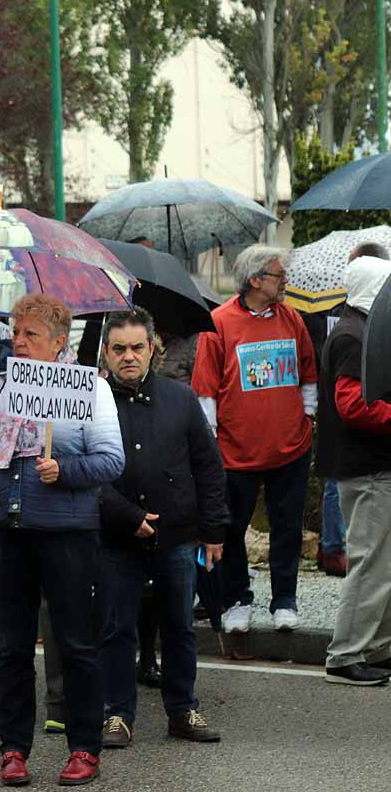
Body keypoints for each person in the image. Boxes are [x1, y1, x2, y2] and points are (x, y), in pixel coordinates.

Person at [0, 293, 124, 786]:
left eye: (31, 334)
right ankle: (13, 748)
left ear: (59, 341)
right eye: (17, 332)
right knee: (10, 647)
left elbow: (112, 461)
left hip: (67, 534)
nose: (20, 341)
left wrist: (66, 469)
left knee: (76, 642)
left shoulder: (90, 390)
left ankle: (83, 747)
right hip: (7, 529)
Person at [97, 307, 228, 747]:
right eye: (119, 349)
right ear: (106, 352)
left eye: (137, 347)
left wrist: (214, 530)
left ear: (153, 348)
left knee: (179, 626)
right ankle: (117, 715)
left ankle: (182, 709)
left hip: (176, 533)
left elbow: (208, 467)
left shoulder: (182, 398)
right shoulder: (90, 402)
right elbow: (84, 471)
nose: (129, 357)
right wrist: (126, 516)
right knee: (116, 628)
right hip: (116, 535)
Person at [192, 245, 318, 634]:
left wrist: (308, 416)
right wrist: (210, 441)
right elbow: (205, 390)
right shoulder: (218, 323)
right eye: (279, 276)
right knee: (230, 529)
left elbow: (308, 372)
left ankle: (285, 600)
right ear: (255, 280)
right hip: (234, 453)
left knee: (287, 526)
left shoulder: (292, 318)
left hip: (290, 448)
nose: (285, 282)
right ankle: (236, 601)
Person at [317, 256, 391, 686]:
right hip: (368, 469)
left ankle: (376, 646)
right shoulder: (353, 335)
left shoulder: (356, 329)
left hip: (371, 466)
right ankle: (344, 655)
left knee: (381, 564)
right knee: (369, 563)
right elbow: (355, 405)